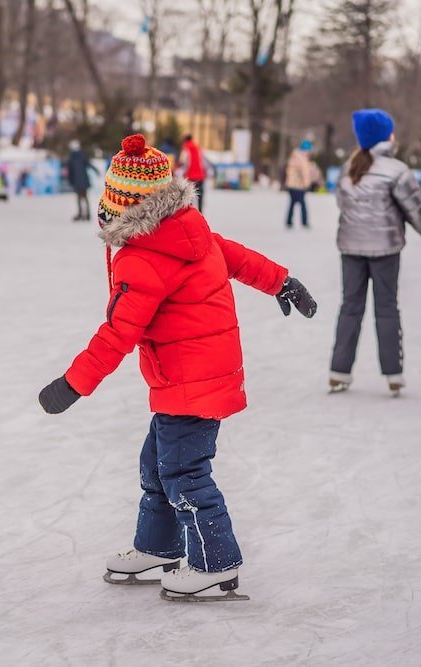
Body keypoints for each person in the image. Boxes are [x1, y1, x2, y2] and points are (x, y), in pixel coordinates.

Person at [37, 134, 317, 601]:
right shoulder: (189, 229)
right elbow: (241, 258)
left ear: (122, 206)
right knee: (157, 464)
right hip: (195, 374)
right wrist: (283, 282)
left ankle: (215, 563)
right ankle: (160, 547)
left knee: (184, 473)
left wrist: (73, 384)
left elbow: (118, 333)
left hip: (190, 380)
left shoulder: (143, 258)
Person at [329, 109, 421, 396]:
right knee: (386, 308)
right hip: (385, 250)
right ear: (386, 136)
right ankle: (393, 373)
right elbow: (417, 211)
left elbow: (342, 203)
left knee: (350, 307)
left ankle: (339, 371)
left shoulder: (349, 167)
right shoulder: (397, 170)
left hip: (350, 248)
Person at [284, 139, 323, 229]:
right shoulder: (302, 158)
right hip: (298, 186)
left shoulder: (294, 156)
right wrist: (307, 184)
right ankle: (304, 222)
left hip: (291, 185)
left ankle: (289, 221)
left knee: (293, 204)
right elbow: (304, 172)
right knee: (302, 204)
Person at [65, 140, 99, 221]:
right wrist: (96, 170)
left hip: (77, 181)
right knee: (85, 197)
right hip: (84, 180)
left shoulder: (71, 157)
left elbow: (70, 172)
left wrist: (70, 181)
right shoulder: (82, 155)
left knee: (79, 198)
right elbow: (89, 164)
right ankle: (87, 214)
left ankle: (81, 214)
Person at [177, 134, 206, 211]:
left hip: (190, 176)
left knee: (189, 198)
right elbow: (203, 161)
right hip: (200, 176)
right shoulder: (198, 147)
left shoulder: (185, 147)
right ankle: (200, 212)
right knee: (200, 196)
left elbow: (182, 161)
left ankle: (191, 214)